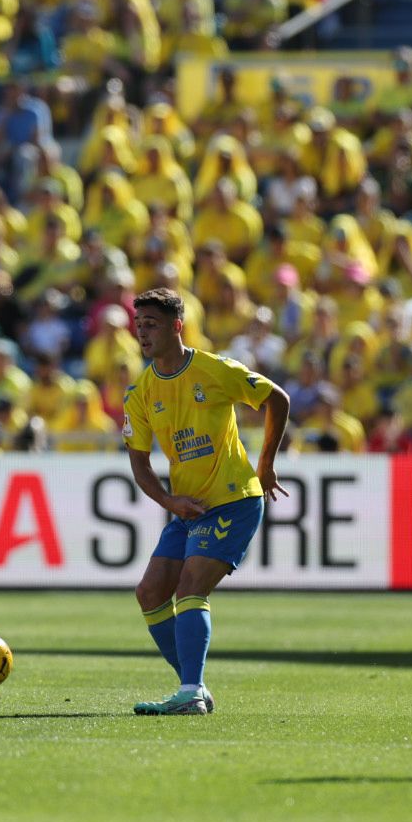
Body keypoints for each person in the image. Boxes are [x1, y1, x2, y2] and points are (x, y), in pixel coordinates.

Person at [123, 288, 290, 716]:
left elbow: (276, 399)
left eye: (152, 324)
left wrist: (266, 464)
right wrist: (168, 499)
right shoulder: (140, 392)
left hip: (233, 500)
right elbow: (139, 464)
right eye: (138, 324)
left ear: (177, 326)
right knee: (150, 593)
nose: (142, 333)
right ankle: (191, 687)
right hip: (188, 507)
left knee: (190, 587)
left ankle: (191, 690)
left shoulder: (213, 369)